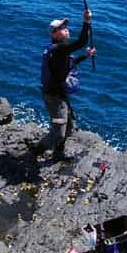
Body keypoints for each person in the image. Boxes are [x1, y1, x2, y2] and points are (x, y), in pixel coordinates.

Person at [40, 9, 96, 161]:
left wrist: (86, 55)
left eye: (66, 27)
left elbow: (69, 64)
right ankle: (36, 151)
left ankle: (58, 153)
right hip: (54, 98)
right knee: (58, 133)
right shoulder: (58, 50)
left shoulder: (60, 52)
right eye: (62, 28)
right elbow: (81, 42)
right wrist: (86, 21)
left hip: (60, 94)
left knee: (70, 127)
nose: (66, 29)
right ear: (54, 34)